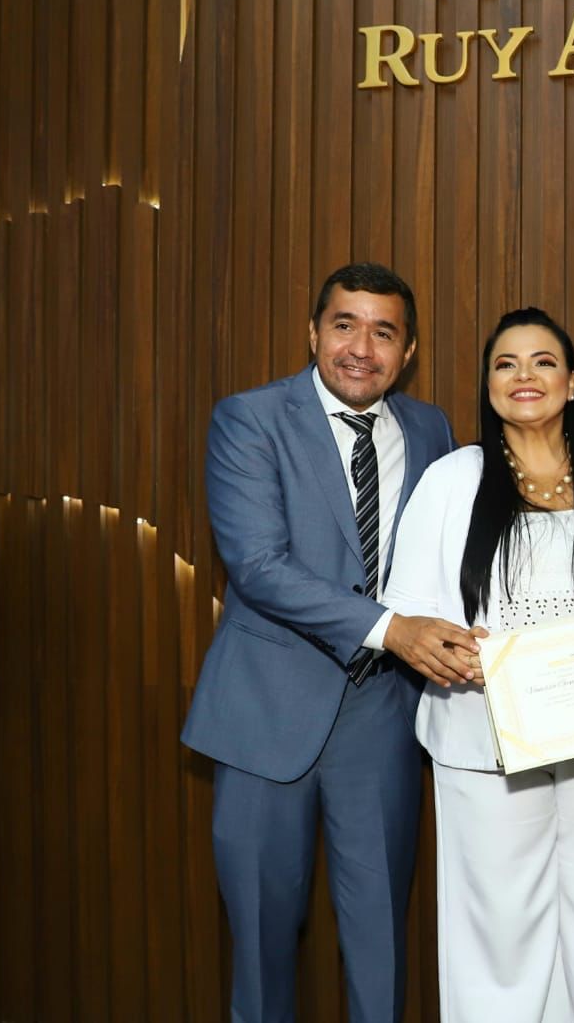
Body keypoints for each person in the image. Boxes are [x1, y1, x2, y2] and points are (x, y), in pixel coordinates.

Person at [181, 262, 480, 1023]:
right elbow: (257, 566)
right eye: (344, 324)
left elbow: (446, 557)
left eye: (384, 332)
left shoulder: (431, 428)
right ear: (313, 332)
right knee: (259, 935)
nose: (361, 347)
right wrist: (395, 630)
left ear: (407, 351)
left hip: (381, 716)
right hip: (266, 712)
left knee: (380, 938)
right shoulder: (249, 419)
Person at [385, 308, 574, 1023]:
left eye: (541, 362)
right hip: (482, 737)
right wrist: (446, 646)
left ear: (572, 383)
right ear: (488, 383)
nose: (523, 376)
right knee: (499, 931)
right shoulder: (453, 478)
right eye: (505, 363)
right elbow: (407, 611)